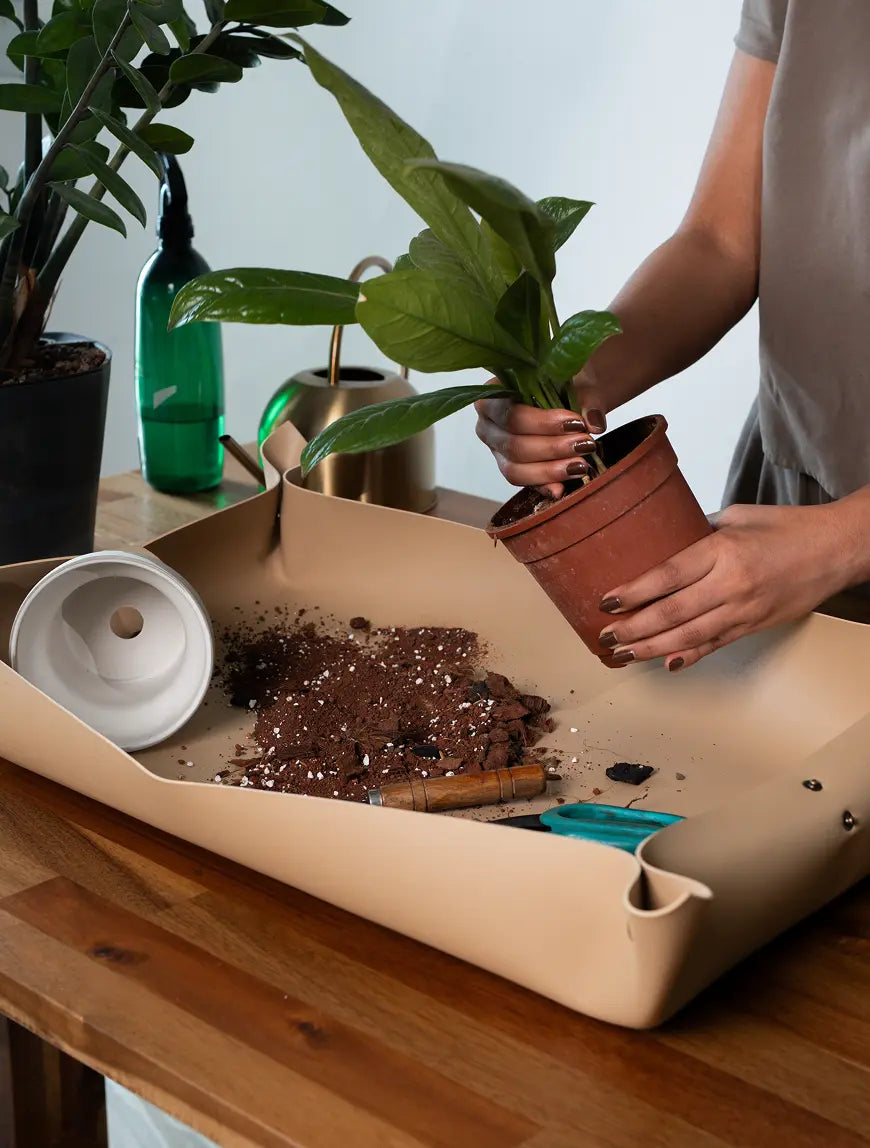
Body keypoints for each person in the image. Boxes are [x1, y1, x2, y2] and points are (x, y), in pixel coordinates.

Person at [476, 0, 870, 672]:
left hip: (823, 541)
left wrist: (843, 542)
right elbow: (720, 240)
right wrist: (578, 379)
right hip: (793, 487)